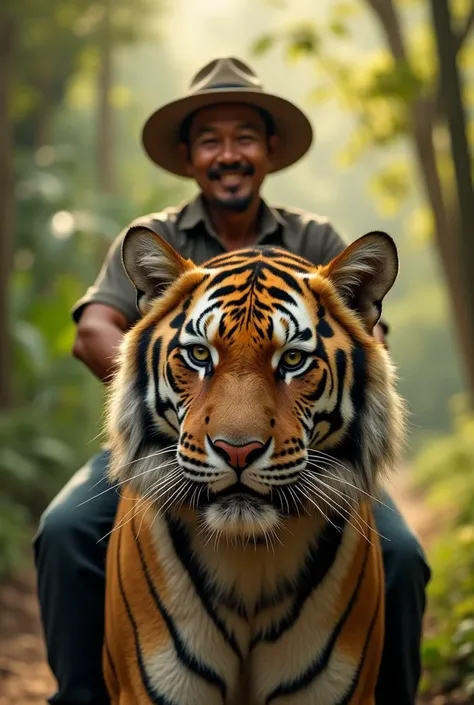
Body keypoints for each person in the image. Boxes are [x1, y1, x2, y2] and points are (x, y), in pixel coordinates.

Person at [34, 57, 430, 705]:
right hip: (168, 439)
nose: (228, 153)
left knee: (405, 558)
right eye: (211, 139)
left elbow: (365, 350)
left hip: (307, 445)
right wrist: (173, 390)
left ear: (269, 150)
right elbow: (93, 329)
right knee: (65, 531)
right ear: (189, 154)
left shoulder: (317, 239)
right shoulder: (157, 238)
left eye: (243, 136)